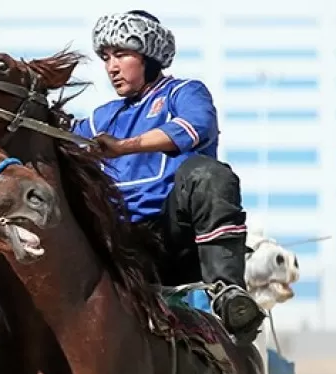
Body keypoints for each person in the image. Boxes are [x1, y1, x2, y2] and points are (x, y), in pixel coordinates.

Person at [71, 10, 265, 344]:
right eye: (106, 57)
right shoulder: (102, 117)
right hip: (124, 244)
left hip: (177, 238)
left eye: (121, 54)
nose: (111, 66)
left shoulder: (184, 93)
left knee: (206, 173)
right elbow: (61, 140)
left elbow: (197, 127)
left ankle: (228, 294)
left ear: (148, 57)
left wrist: (124, 147)